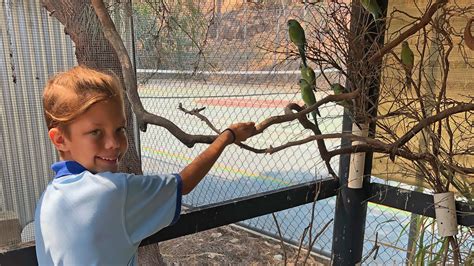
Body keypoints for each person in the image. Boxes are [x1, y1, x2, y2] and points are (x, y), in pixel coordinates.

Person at [34, 65, 256, 265]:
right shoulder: (113, 192)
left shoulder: (47, 200)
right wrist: (228, 136)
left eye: (120, 129)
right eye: (95, 132)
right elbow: (184, 183)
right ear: (60, 139)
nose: (113, 143)